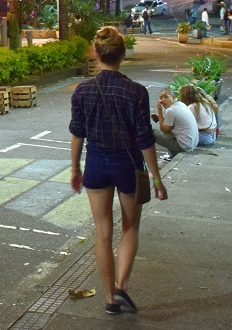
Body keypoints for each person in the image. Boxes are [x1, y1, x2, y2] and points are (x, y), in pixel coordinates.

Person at [70, 26, 167, 316]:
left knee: (102, 233)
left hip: (97, 164)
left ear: (96, 53)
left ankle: (110, 298)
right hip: (128, 165)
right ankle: (122, 283)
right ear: (122, 55)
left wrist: (75, 168)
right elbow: (144, 139)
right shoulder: (136, 92)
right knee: (130, 226)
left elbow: (77, 133)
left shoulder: (82, 90)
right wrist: (157, 177)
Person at [152, 89, 199, 156]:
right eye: (161, 98)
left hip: (183, 146)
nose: (162, 100)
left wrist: (159, 111)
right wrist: (160, 118)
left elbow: (164, 129)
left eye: (166, 97)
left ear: (173, 97)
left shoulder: (171, 110)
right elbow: (174, 120)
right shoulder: (181, 104)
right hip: (192, 144)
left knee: (150, 132)